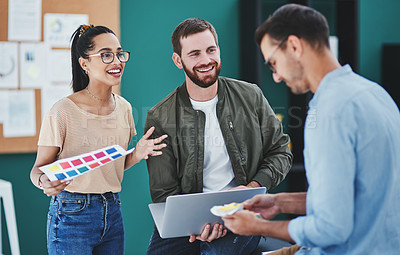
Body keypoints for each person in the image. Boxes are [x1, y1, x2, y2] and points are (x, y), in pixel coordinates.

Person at [222, 4, 400, 255]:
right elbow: (357, 198)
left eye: (273, 63)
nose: (276, 76)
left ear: (294, 46)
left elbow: (331, 228)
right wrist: (278, 201)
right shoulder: (377, 94)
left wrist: (258, 227)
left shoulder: (329, 111)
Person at [144, 18, 293, 255]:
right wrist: (194, 223)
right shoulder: (160, 117)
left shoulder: (251, 96)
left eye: (211, 50)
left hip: (242, 212)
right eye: (194, 54)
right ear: (177, 60)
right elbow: (164, 192)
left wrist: (252, 186)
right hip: (187, 223)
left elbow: (281, 152)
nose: (205, 60)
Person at [30, 24, 167, 255]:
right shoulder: (62, 110)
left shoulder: (124, 108)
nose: (117, 61)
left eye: (119, 54)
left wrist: (137, 154)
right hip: (72, 214)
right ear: (84, 63)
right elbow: (37, 170)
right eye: (106, 55)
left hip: (113, 210)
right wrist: (44, 182)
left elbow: (111, 164)